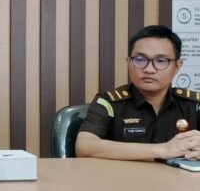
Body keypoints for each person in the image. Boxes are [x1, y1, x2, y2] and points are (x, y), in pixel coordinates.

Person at [76, 25, 200, 160]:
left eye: (160, 61)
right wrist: (164, 150)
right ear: (128, 62)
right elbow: (84, 146)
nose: (149, 70)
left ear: (177, 67)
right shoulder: (109, 102)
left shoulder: (194, 105)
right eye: (140, 60)